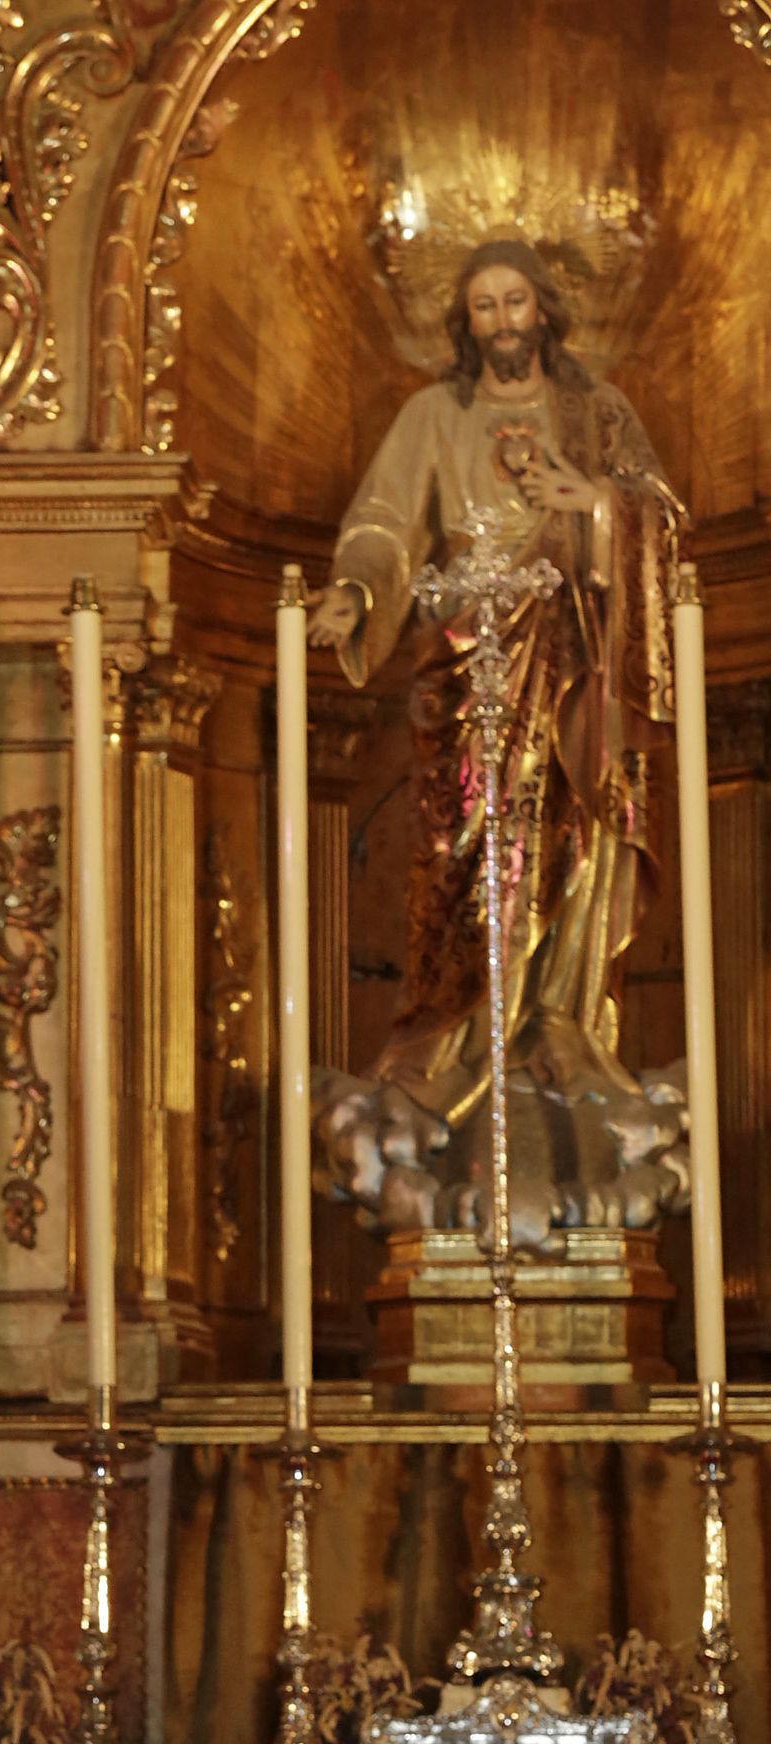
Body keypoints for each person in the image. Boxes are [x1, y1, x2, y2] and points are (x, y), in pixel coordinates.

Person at [306, 237, 687, 1245]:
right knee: (472, 846)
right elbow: (386, 523)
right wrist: (352, 594)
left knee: (571, 837)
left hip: (573, 665)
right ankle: (468, 1033)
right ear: (464, 325)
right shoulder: (431, 417)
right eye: (483, 307)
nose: (503, 321)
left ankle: (556, 1018)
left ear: (545, 312)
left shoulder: (597, 413)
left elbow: (662, 518)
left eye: (516, 302)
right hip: (472, 664)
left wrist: (597, 509)